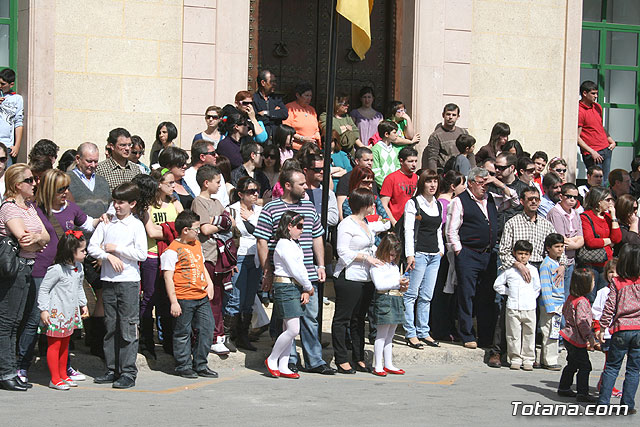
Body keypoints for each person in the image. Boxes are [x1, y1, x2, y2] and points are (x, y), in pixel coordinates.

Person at [18, 169, 98, 383]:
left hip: (65, 272)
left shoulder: (71, 208)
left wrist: (109, 218)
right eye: (61, 189)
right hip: (40, 270)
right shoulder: (34, 209)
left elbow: (89, 223)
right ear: (49, 189)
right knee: (35, 319)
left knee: (64, 323)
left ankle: (64, 368)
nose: (66, 192)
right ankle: (22, 366)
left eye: (67, 188)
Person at [255, 168, 334, 375]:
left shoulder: (308, 207)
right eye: (301, 184)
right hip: (285, 275)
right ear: (287, 185)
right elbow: (262, 241)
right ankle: (287, 360)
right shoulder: (271, 208)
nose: (305, 186)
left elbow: (317, 237)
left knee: (311, 318)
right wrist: (267, 271)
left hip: (308, 271)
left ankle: (314, 360)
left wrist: (321, 265)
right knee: (288, 321)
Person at [88, 182, 147, 389]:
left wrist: (117, 249)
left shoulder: (135, 225)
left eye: (121, 202)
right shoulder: (107, 222)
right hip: (109, 280)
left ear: (132, 203)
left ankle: (128, 371)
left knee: (128, 327)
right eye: (115, 201)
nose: (117, 206)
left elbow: (141, 254)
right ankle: (112, 368)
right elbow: (92, 247)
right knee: (110, 326)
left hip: (129, 281)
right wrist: (106, 256)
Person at [0, 164, 49, 391]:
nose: (34, 183)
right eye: (29, 180)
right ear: (17, 185)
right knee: (7, 322)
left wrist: (38, 238)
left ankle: (11, 370)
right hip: (15, 268)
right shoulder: (9, 208)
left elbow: (45, 236)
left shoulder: (29, 207)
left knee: (16, 321)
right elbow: (23, 238)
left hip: (28, 266)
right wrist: (38, 239)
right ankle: (6, 372)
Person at [66, 142, 111, 358]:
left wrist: (102, 247)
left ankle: (96, 340)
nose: (93, 165)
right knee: (70, 291)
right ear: (78, 159)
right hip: (73, 244)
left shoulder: (102, 182)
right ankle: (69, 337)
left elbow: (108, 212)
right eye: (88, 161)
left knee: (101, 289)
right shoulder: (68, 181)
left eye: (95, 161)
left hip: (96, 245)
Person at [161, 210, 218, 379]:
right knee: (182, 332)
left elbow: (201, 265)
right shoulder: (173, 250)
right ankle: (183, 365)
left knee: (207, 329)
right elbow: (168, 277)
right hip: (183, 297)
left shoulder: (196, 244)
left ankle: (201, 364)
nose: (198, 232)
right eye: (196, 229)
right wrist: (174, 302)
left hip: (200, 296)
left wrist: (209, 283)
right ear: (185, 230)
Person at [446, 167, 499, 349]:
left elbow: (514, 199)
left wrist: (497, 182)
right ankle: (467, 334)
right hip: (468, 254)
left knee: (486, 296)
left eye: (486, 182)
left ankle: (485, 337)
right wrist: (459, 250)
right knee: (466, 295)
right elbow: (452, 230)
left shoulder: (491, 199)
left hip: (488, 254)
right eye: (480, 182)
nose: (484, 186)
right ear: (470, 183)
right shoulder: (459, 201)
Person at [332, 189, 381, 373]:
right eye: (370, 203)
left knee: (359, 319)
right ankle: (341, 358)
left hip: (365, 277)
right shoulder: (346, 224)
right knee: (343, 318)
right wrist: (366, 258)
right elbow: (342, 251)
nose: (373, 206)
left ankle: (358, 357)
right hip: (349, 276)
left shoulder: (365, 223)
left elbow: (371, 246)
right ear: (364, 205)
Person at [139, 168, 183, 358]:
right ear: (159, 184)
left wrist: (165, 229)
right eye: (170, 183)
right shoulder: (148, 206)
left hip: (171, 256)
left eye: (174, 183)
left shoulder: (175, 204)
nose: (174, 186)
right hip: (152, 256)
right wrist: (170, 229)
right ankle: (146, 342)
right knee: (149, 299)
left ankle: (168, 341)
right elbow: (151, 232)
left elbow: (184, 226)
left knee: (166, 299)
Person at [264, 211, 313, 379]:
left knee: (288, 328)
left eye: (303, 226)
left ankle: (283, 365)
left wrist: (305, 288)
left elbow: (301, 267)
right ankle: (272, 358)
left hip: (292, 286)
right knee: (293, 329)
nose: (302, 230)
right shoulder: (284, 243)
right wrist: (308, 286)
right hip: (285, 286)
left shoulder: (293, 243)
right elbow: (295, 269)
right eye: (299, 226)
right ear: (289, 226)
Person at [190, 165, 233, 355]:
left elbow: (230, 221)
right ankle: (208, 336)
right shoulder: (198, 202)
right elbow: (205, 229)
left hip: (220, 257)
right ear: (206, 183)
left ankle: (218, 334)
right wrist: (220, 223)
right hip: (206, 256)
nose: (220, 185)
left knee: (218, 297)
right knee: (209, 297)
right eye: (217, 182)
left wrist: (219, 221)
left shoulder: (217, 202)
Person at [38, 230, 89, 390]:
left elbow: (80, 287)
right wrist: (44, 310)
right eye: (82, 250)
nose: (85, 253)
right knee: (54, 345)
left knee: (65, 344)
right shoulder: (56, 270)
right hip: (56, 314)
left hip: (69, 313)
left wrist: (83, 304)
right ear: (70, 251)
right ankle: (55, 378)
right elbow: (43, 290)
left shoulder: (79, 268)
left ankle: (63, 375)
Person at [402, 169, 444, 349]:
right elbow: (408, 230)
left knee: (426, 296)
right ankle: (410, 333)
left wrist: (441, 250)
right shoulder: (413, 203)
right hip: (418, 254)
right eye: (429, 181)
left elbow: (438, 229)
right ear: (422, 183)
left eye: (435, 181)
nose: (433, 185)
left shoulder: (438, 204)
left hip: (434, 255)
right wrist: (410, 254)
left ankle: (423, 331)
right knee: (411, 294)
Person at [597, 244, 640, 410]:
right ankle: (628, 404)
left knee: (612, 367)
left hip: (621, 329)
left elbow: (609, 307)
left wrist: (602, 328)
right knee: (633, 370)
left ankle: (603, 402)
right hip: (638, 330)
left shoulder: (617, 282)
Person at [493, 240, 540, 371]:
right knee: (513, 334)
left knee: (529, 334)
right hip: (513, 307)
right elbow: (497, 285)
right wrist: (509, 292)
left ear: (530, 255)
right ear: (514, 254)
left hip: (529, 307)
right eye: (520, 254)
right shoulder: (509, 271)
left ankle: (528, 359)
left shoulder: (533, 270)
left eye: (526, 254)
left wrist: (530, 297)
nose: (523, 257)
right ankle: (515, 358)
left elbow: (537, 288)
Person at [228, 177, 262, 350]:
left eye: (257, 190)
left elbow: (266, 232)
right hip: (239, 256)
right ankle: (229, 335)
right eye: (251, 191)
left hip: (255, 257)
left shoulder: (260, 211)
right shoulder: (231, 211)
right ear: (241, 194)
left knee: (249, 299)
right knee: (236, 297)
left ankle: (243, 335)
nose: (255, 194)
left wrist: (252, 219)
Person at [370, 233, 409, 376]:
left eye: (394, 255)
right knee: (381, 334)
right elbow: (380, 285)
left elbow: (395, 283)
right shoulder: (377, 265)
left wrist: (402, 286)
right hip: (384, 299)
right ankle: (378, 365)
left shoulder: (393, 266)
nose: (392, 258)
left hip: (395, 299)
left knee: (390, 334)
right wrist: (398, 283)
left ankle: (388, 363)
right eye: (390, 254)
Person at [557, 268, 598, 402]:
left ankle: (564, 387)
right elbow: (582, 322)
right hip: (576, 338)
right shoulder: (582, 301)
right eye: (592, 282)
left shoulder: (570, 298)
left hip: (568, 335)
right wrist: (589, 337)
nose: (593, 284)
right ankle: (582, 392)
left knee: (572, 363)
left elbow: (565, 311)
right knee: (585, 366)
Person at [581, 185, 621, 302]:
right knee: (590, 297)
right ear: (599, 201)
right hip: (591, 264)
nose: (611, 203)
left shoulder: (608, 217)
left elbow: (617, 238)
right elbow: (590, 241)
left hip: (606, 263)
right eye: (608, 200)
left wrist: (613, 217)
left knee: (604, 298)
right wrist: (608, 241)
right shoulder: (586, 216)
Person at [592, 257, 623, 399]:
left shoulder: (623, 290)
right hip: (607, 333)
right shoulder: (603, 292)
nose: (613, 275)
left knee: (613, 361)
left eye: (616, 272)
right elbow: (596, 312)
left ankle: (603, 383)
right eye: (610, 272)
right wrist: (598, 329)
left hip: (619, 331)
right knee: (610, 362)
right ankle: (607, 386)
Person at [546, 183, 584, 295]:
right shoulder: (555, 213)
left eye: (575, 197)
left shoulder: (575, 213)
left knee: (567, 293)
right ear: (561, 196)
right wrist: (576, 241)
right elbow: (560, 240)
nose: (572, 200)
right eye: (569, 196)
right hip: (558, 261)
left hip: (571, 260)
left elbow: (581, 237)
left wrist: (576, 242)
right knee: (558, 294)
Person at [537, 233, 567, 371]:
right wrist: (550, 306)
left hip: (558, 303)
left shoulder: (557, 262)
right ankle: (549, 360)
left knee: (554, 332)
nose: (560, 249)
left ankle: (548, 358)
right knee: (550, 333)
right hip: (551, 304)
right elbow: (546, 287)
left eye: (561, 246)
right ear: (548, 248)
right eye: (556, 247)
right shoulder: (546, 265)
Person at [578, 80, 616, 182]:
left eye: (596, 93)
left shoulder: (597, 107)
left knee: (605, 181)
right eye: (593, 93)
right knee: (597, 183)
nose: (596, 96)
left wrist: (611, 140)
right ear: (584, 93)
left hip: (605, 149)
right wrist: (592, 152)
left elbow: (599, 126)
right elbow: (576, 137)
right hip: (593, 153)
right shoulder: (579, 111)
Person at [425, 103, 470, 173]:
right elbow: (432, 159)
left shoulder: (463, 132)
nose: (450, 117)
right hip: (446, 174)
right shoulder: (435, 136)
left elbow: (470, 153)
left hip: (463, 172)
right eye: (448, 114)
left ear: (458, 117)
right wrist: (434, 178)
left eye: (454, 115)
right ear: (443, 115)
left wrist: (473, 173)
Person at [184, 140, 229, 207]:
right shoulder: (186, 176)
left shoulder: (218, 175)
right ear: (202, 157)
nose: (216, 156)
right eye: (213, 153)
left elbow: (225, 201)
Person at [380, 146, 418, 225]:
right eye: (410, 161)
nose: (414, 164)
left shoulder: (417, 178)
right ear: (401, 161)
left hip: (413, 221)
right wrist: (393, 222)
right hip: (397, 222)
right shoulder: (391, 178)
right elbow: (384, 204)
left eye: (416, 161)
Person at [336, 146, 376, 219]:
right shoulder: (346, 179)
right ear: (357, 161)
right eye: (366, 160)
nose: (370, 163)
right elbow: (340, 207)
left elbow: (376, 203)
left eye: (371, 160)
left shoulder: (372, 178)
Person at [282, 82, 321, 149]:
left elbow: (316, 129)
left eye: (310, 96)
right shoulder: (290, 108)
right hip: (297, 148)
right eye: (306, 95)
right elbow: (287, 130)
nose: (309, 98)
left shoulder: (312, 110)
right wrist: (302, 138)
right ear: (298, 95)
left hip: (312, 148)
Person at [253, 70, 289, 138]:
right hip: (262, 138)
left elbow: (284, 114)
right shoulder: (254, 99)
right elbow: (257, 118)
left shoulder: (276, 98)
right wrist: (275, 114)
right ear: (263, 83)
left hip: (276, 138)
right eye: (272, 82)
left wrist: (266, 113)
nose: (275, 84)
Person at [0, 68, 24, 166]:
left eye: (3, 84)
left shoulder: (17, 99)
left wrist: (17, 146)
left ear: (11, 84)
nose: (0, 86)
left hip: (7, 145)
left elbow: (18, 123)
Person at [371, 121, 400, 187]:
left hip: (395, 186)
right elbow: (375, 170)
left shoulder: (396, 150)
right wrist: (386, 185)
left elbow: (398, 168)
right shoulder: (375, 149)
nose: (397, 135)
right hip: (381, 187)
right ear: (386, 134)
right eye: (394, 133)